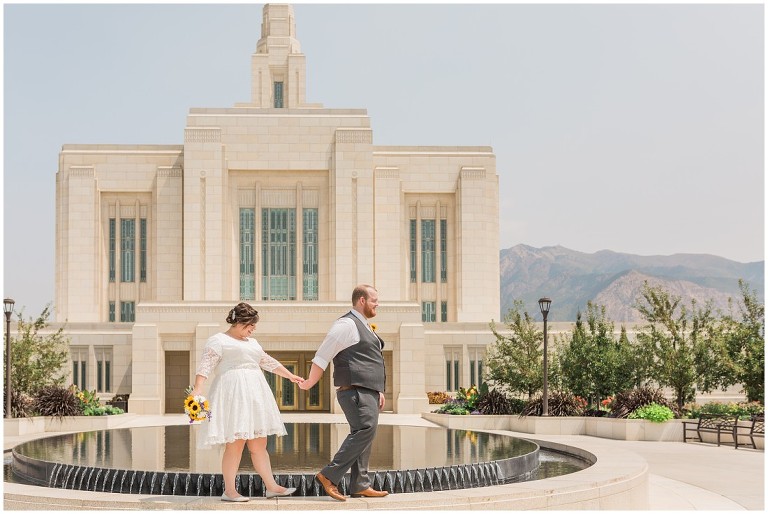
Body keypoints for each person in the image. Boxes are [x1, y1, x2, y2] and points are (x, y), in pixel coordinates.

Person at [191, 302, 304, 502]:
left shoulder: (253, 343)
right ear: (238, 321)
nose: (252, 329)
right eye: (250, 325)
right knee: (235, 444)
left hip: (255, 394)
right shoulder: (218, 340)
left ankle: (272, 487)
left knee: (259, 443)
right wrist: (198, 389)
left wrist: (290, 376)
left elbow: (267, 361)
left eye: (254, 326)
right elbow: (205, 366)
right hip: (233, 394)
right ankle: (229, 490)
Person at [299, 284, 389, 501]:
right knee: (364, 429)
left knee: (365, 434)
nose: (378, 303)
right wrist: (311, 381)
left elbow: (370, 360)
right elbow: (323, 354)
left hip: (368, 391)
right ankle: (329, 476)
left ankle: (360, 484)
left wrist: (378, 390)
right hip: (354, 390)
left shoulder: (365, 325)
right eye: (374, 300)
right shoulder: (346, 324)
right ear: (361, 301)